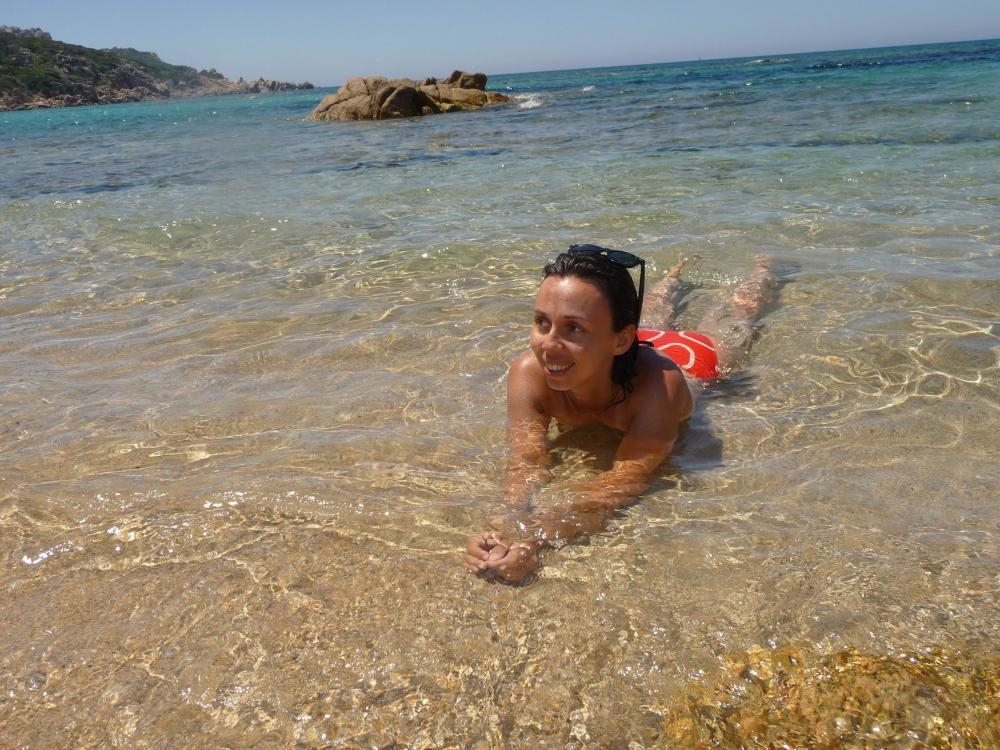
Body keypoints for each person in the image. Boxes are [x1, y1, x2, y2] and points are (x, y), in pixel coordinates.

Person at [465, 244, 776, 584]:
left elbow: (624, 481)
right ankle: (676, 270)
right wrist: (504, 529)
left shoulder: (659, 388)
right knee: (656, 306)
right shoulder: (529, 373)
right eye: (542, 323)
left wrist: (535, 541)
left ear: (622, 339)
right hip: (617, 351)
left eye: (573, 328)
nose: (548, 345)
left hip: (694, 360)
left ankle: (766, 267)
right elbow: (525, 462)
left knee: (737, 316)